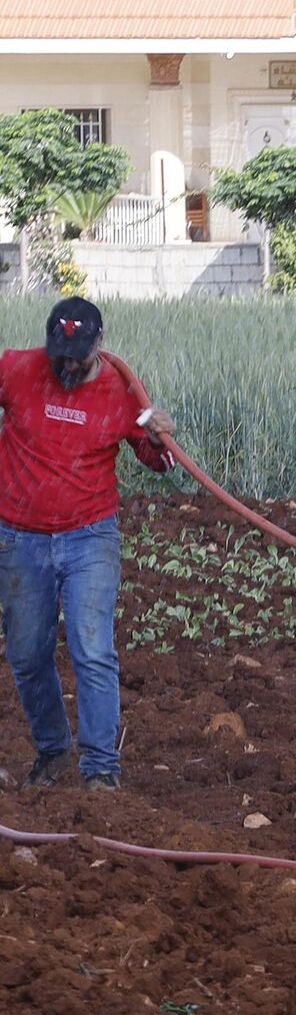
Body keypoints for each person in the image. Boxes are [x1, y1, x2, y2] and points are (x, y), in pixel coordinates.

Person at [0, 298, 176, 791]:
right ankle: (53, 752)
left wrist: (160, 438)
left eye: (77, 355)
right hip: (18, 537)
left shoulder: (122, 391)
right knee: (28, 654)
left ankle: (101, 768)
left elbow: (158, 462)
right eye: (59, 353)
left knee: (92, 648)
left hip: (89, 535)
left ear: (97, 345)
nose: (67, 365)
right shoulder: (17, 368)